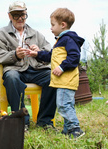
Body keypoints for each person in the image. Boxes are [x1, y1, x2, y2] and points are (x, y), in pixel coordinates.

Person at [0, 1, 57, 130]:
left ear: (26, 15)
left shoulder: (36, 34)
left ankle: (45, 121)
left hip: (36, 69)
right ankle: (21, 121)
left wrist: (39, 52)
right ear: (9, 16)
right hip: (14, 70)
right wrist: (14, 55)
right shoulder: (0, 34)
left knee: (52, 77)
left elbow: (50, 53)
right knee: (12, 78)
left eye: (23, 15)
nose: (20, 18)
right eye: (16, 15)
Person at [26, 8, 85, 138]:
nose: (51, 28)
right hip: (61, 82)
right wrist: (36, 54)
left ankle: (75, 129)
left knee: (64, 105)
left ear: (62, 25)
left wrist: (62, 67)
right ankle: (67, 130)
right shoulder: (60, 41)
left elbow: (74, 57)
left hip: (67, 81)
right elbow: (50, 56)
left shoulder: (69, 39)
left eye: (53, 25)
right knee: (65, 105)